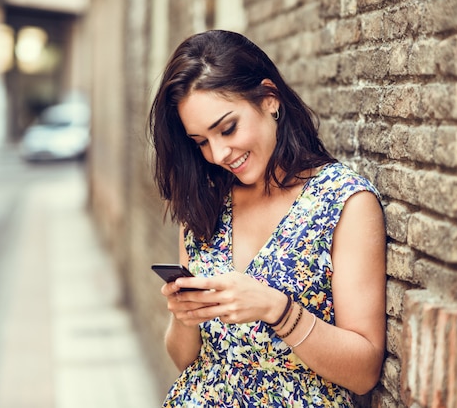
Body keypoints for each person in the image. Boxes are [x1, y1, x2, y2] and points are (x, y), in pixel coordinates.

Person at [148, 30, 386, 407]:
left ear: (269, 99)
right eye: (201, 142)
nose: (219, 153)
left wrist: (277, 309)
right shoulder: (206, 203)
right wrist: (183, 316)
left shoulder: (344, 202)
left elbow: (363, 372)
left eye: (227, 129)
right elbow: (186, 361)